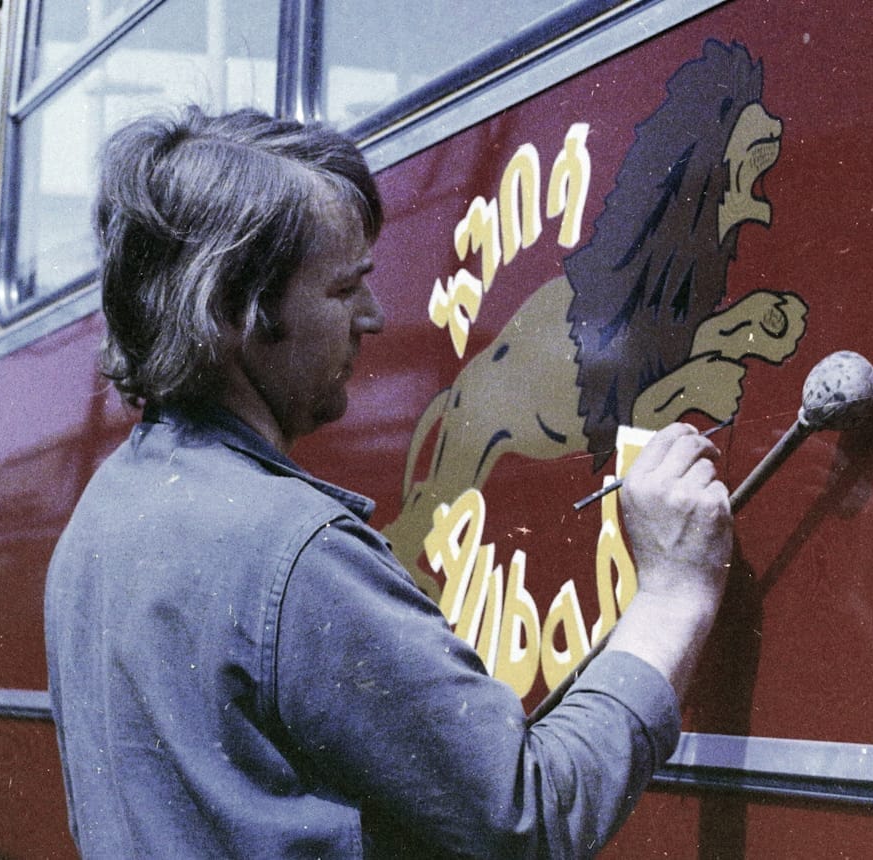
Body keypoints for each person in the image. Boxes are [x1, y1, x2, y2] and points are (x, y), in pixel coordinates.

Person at [45, 105, 732, 858]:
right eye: (343, 291)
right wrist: (673, 595)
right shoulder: (296, 555)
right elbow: (531, 814)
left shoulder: (99, 517)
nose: (373, 318)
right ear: (231, 313)